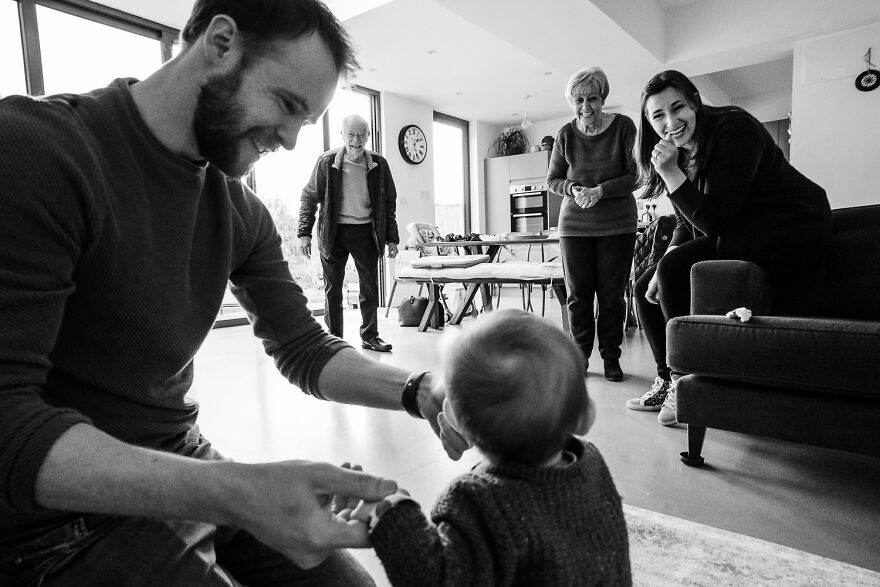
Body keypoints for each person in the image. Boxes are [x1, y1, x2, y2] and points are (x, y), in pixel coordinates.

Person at [0, 1, 469, 584]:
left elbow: (302, 347)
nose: (295, 141)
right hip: (48, 525)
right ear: (221, 45)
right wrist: (237, 492)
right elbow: (6, 422)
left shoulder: (238, 210)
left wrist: (419, 390)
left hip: (180, 455)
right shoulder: (37, 151)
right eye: (288, 105)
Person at [342, 309, 632, 585]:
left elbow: (436, 576)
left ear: (454, 421)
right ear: (585, 417)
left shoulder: (478, 500)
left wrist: (390, 512)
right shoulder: (591, 464)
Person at [625, 70, 831, 426]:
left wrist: (672, 174)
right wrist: (666, 258)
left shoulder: (735, 130)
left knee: (675, 271)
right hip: (739, 228)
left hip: (793, 224)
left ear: (694, 101)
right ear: (649, 122)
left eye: (678, 108)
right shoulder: (678, 153)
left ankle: (686, 381)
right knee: (645, 284)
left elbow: (714, 220)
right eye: (658, 115)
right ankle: (667, 378)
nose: (671, 122)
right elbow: (685, 224)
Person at [547, 66, 638, 382]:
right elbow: (553, 180)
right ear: (572, 102)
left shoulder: (624, 127)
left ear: (604, 98)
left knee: (612, 295)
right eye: (579, 100)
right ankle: (580, 357)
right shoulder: (565, 135)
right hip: (575, 226)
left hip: (618, 223)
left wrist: (600, 191)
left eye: (593, 98)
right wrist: (574, 189)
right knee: (579, 295)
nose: (586, 107)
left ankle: (611, 358)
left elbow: (634, 176)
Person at [297, 114, 399, 353]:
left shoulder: (379, 164)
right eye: (351, 134)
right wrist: (304, 232)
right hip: (334, 231)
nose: (356, 139)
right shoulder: (327, 162)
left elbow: (388, 202)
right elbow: (309, 197)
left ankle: (370, 336)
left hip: (366, 232)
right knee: (333, 289)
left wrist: (392, 237)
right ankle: (334, 339)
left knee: (369, 288)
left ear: (368, 136)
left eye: (361, 134)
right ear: (342, 135)